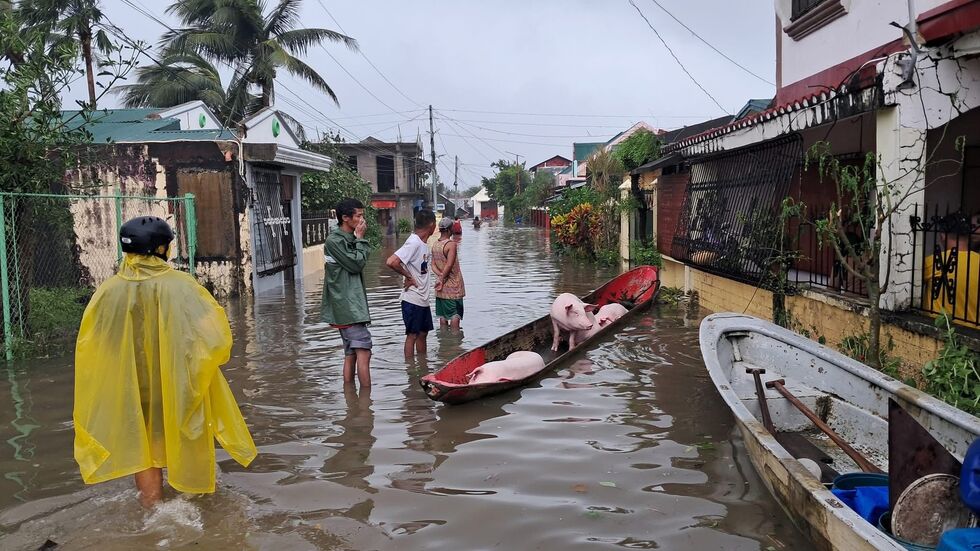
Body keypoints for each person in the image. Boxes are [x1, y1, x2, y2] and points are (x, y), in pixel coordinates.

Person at [74, 216, 256, 508]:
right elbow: (215, 337)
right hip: (177, 382)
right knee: (186, 433)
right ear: (161, 249)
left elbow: (93, 342)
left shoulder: (107, 291)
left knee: (142, 446)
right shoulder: (182, 286)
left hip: (131, 386)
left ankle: (152, 507)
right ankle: (193, 502)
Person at [322, 198, 373, 387]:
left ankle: (353, 403)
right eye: (358, 216)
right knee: (364, 351)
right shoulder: (334, 241)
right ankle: (366, 405)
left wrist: (358, 239)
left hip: (350, 307)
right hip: (348, 308)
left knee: (351, 354)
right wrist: (360, 239)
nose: (362, 220)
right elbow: (356, 264)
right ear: (345, 218)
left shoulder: (346, 239)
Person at [386, 209, 437, 357]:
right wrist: (408, 276)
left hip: (422, 299)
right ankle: (410, 372)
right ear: (432, 225)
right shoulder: (413, 242)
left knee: (423, 334)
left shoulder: (422, 244)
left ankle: (422, 366)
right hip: (412, 299)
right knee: (412, 335)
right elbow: (391, 261)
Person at [433, 217, 466, 330]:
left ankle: (444, 344)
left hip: (440, 288)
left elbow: (432, 265)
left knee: (442, 316)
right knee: (455, 315)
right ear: (448, 230)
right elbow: (449, 264)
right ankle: (455, 344)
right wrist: (443, 278)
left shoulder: (435, 245)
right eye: (452, 228)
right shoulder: (451, 244)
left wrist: (440, 278)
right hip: (453, 286)